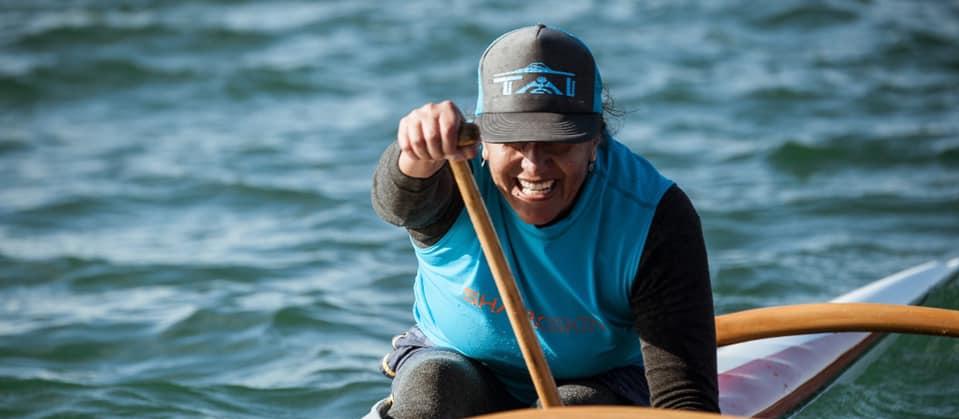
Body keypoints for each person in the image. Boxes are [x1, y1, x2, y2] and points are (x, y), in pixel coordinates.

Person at [367, 24, 718, 418]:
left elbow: (685, 404)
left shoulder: (654, 216)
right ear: (481, 140)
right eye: (514, 142)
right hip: (455, 373)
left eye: (556, 140)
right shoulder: (455, 176)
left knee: (572, 409)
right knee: (435, 384)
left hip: (600, 385)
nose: (534, 165)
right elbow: (394, 202)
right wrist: (414, 151)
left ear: (594, 140)